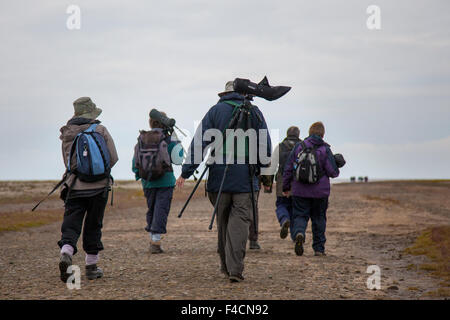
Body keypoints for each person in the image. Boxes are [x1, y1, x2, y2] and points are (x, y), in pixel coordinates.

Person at [176, 81, 271, 282]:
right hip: (245, 179)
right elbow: (265, 146)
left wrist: (186, 171)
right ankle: (234, 269)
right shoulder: (254, 112)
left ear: (225, 94)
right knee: (240, 221)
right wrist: (263, 173)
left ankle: (226, 266)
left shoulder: (215, 111)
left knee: (223, 220)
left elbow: (199, 142)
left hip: (218, 178)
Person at [58, 97, 118, 282]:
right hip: (99, 188)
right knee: (93, 225)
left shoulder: (67, 133)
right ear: (91, 112)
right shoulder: (100, 129)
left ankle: (66, 252)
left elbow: (67, 162)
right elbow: (113, 157)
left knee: (71, 223)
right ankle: (91, 268)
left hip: (75, 186)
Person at [282, 122, 339, 256]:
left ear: (309, 132)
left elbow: (288, 168)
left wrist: (285, 186)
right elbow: (333, 172)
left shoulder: (299, 146)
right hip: (320, 193)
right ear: (322, 134)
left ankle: (299, 233)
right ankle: (319, 249)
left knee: (300, 216)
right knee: (319, 219)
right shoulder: (325, 149)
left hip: (300, 191)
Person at [132, 110, 183, 254]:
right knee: (161, 209)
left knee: (152, 208)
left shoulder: (142, 138)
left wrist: (140, 176)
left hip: (147, 181)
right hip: (165, 180)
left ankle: (153, 238)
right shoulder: (166, 139)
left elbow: (134, 162)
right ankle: (155, 241)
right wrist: (175, 138)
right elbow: (179, 158)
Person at [269, 126, 301, 240]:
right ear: (298, 134)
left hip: (282, 180)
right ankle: (295, 235)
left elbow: (272, 166)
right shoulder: (303, 146)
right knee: (296, 208)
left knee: (281, 204)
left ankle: (284, 220)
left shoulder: (280, 147)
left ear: (287, 134)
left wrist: (268, 183)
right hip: (299, 182)